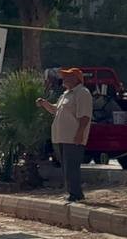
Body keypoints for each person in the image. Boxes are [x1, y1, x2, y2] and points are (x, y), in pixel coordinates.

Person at [38, 67, 93, 203]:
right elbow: (55, 110)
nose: (64, 79)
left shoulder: (82, 93)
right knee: (66, 167)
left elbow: (85, 116)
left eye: (68, 76)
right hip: (61, 137)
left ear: (76, 79)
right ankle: (71, 193)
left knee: (71, 167)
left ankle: (76, 195)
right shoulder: (65, 94)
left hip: (73, 137)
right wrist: (44, 104)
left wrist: (80, 134)